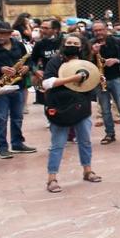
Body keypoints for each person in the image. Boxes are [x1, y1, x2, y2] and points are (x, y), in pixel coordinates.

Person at [42, 34, 100, 192]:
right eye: (69, 42)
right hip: (60, 108)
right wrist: (72, 78)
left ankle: (88, 170)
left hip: (82, 108)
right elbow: (47, 83)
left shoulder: (85, 63)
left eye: (75, 43)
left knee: (85, 141)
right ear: (63, 44)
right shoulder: (55, 62)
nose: (72, 45)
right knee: (58, 145)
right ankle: (51, 178)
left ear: (80, 46)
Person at [0, 21, 37, 158]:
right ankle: (2, 147)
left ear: (9, 34)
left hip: (18, 85)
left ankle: (17, 143)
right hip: (0, 87)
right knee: (1, 118)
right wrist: (0, 69)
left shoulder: (18, 45)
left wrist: (27, 67)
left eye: (2, 33)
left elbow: (28, 60)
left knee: (18, 117)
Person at [88, 20, 120, 145]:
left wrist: (116, 60)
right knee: (105, 110)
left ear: (106, 30)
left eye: (100, 30)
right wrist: (92, 53)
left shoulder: (116, 42)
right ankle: (109, 134)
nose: (98, 33)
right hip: (99, 79)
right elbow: (84, 62)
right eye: (96, 30)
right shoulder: (90, 44)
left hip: (116, 78)